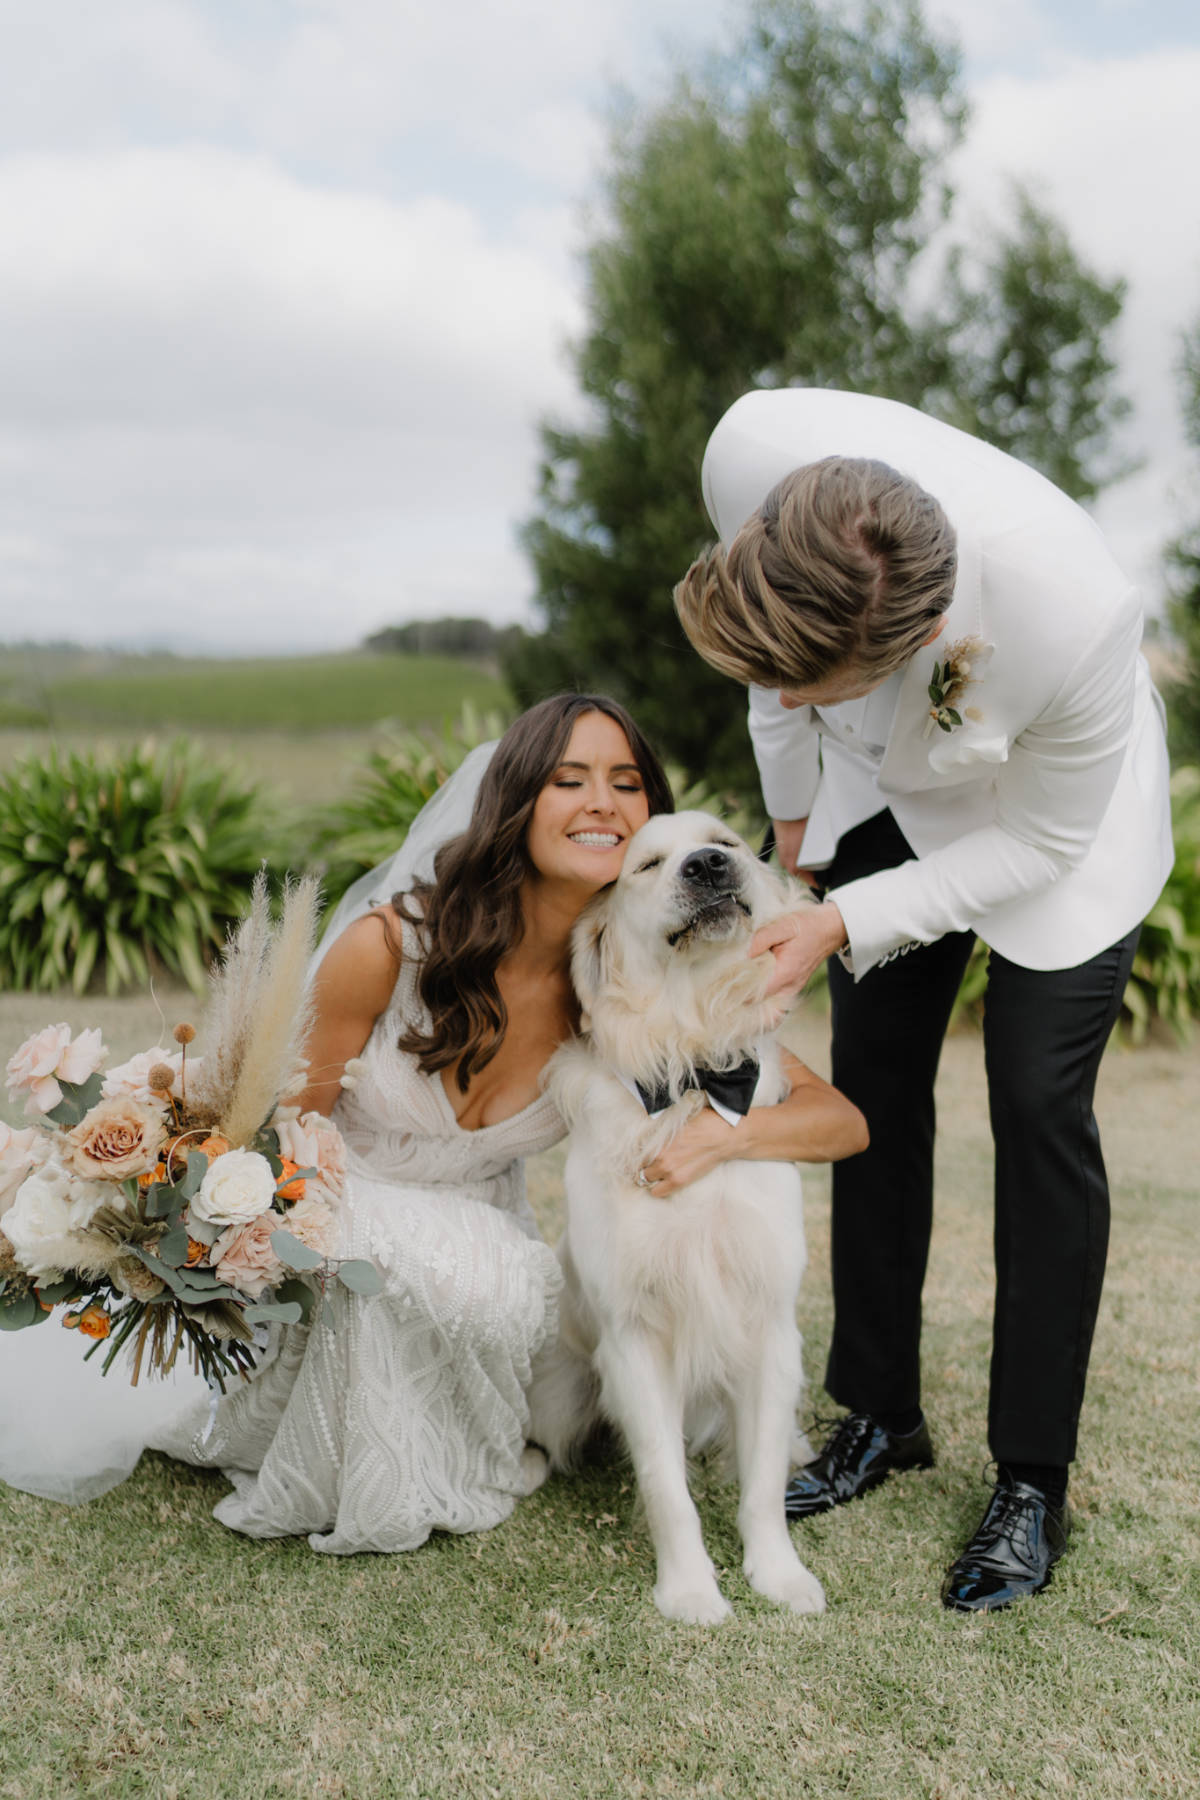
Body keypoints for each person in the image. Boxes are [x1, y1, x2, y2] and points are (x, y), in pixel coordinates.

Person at [149, 692, 867, 1553]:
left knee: (500, 1290)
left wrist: (727, 1135)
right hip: (344, 1217)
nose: (601, 801)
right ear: (516, 802)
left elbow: (840, 1120)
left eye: (625, 781)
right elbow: (285, 1139)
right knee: (439, 1284)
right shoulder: (389, 946)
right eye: (569, 780)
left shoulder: (624, 995)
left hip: (480, 1239)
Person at [674, 388, 1174, 1613]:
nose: (788, 698)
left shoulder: (1072, 620)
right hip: (884, 792)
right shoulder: (754, 451)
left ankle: (1031, 1477)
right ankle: (881, 1414)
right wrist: (795, 813)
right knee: (874, 1080)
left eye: (816, 682)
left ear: (906, 643)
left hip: (1058, 820)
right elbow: (767, 668)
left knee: (1036, 1106)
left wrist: (843, 918)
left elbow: (1040, 849)